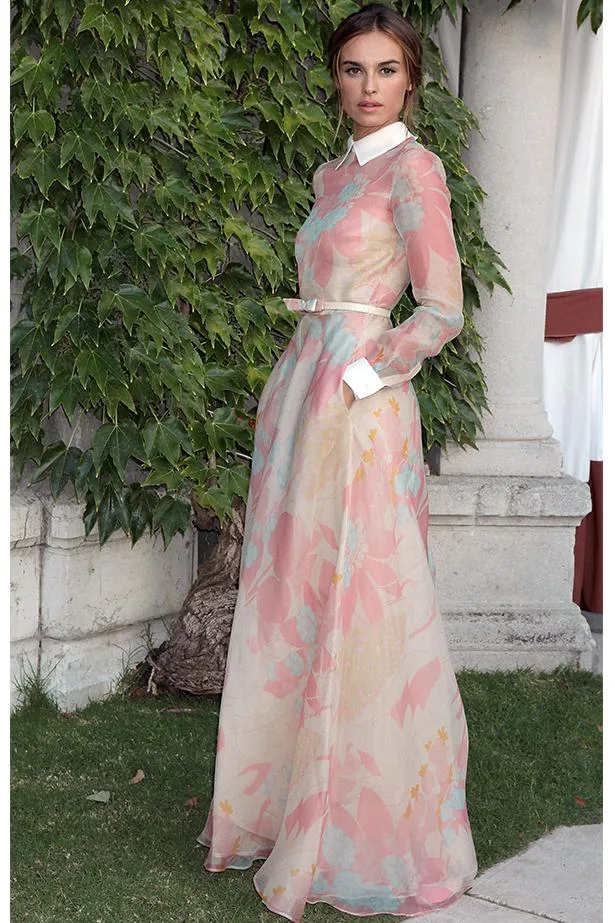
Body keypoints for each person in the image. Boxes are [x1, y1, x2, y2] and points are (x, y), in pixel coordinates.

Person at [197, 4, 478, 919]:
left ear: (411, 81)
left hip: (358, 408)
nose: (366, 86)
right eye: (352, 69)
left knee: (362, 598)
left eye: (385, 70)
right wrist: (299, 381)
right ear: (334, 76)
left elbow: (440, 308)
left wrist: (360, 374)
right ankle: (281, 809)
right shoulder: (331, 175)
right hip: (302, 399)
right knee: (293, 594)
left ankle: (361, 827)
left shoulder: (414, 169)